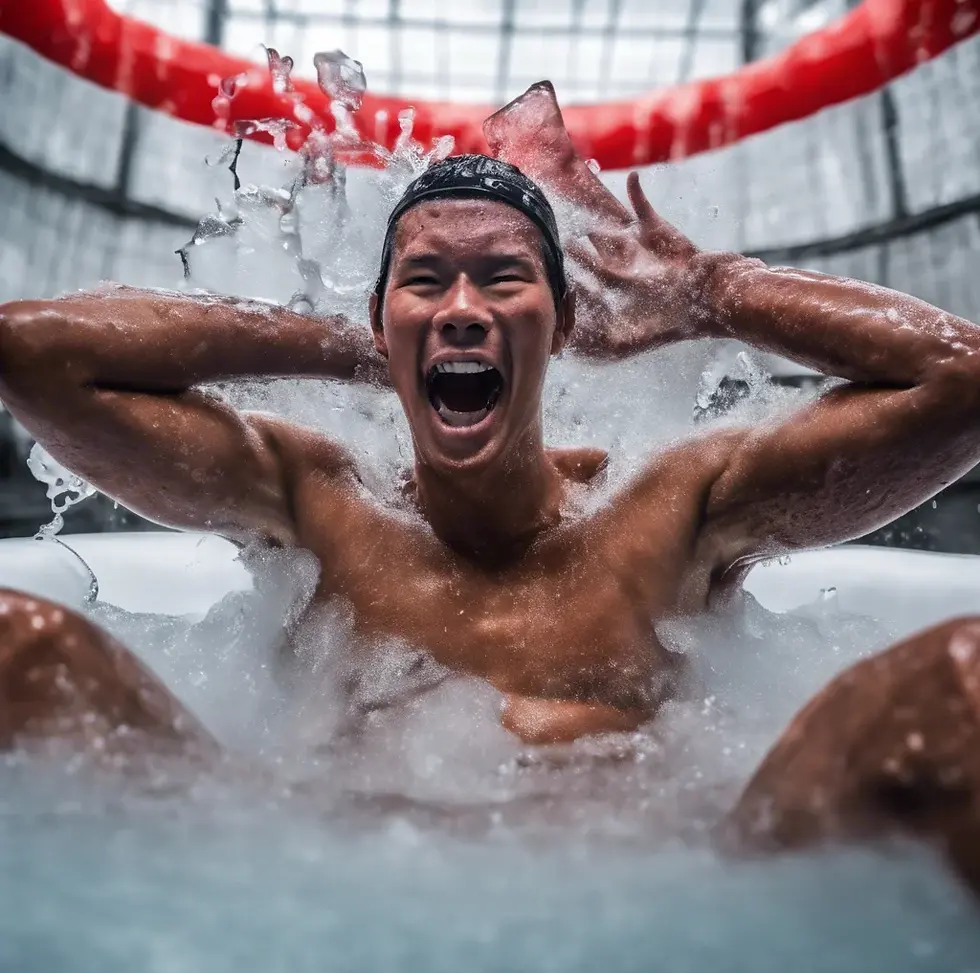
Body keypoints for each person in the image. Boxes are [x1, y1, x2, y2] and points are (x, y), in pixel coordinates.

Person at [1, 85, 979, 879]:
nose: (461, 307)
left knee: (960, 685)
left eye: (500, 278)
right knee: (17, 643)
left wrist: (710, 295)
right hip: (313, 890)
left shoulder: (671, 512)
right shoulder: (320, 503)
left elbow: (959, 382)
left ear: (560, 323)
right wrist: (359, 345)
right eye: (425, 281)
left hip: (669, 893)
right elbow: (38, 355)